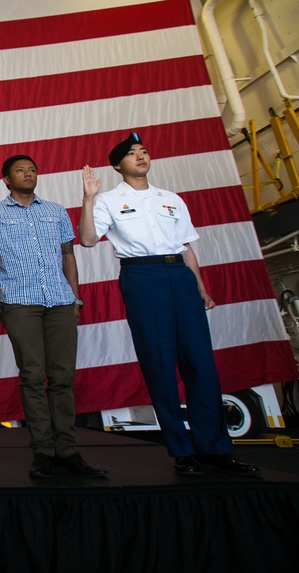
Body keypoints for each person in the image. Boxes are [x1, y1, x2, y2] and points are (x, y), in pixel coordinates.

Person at [79, 132, 260, 477]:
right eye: (132, 153)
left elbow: (186, 246)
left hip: (180, 276)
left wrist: (200, 286)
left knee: (201, 364)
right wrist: (88, 199)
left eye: (144, 151)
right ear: (118, 165)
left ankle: (216, 449)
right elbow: (88, 240)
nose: (141, 156)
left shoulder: (171, 199)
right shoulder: (107, 200)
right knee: (160, 364)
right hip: (142, 279)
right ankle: (182, 450)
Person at [0, 156, 106, 479]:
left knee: (63, 377)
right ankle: (43, 451)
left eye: (32, 170)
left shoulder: (55, 211)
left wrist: (75, 297)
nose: (28, 174)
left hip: (59, 301)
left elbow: (68, 256)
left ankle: (67, 451)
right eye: (20, 171)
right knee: (32, 375)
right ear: (6, 180)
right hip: (19, 303)